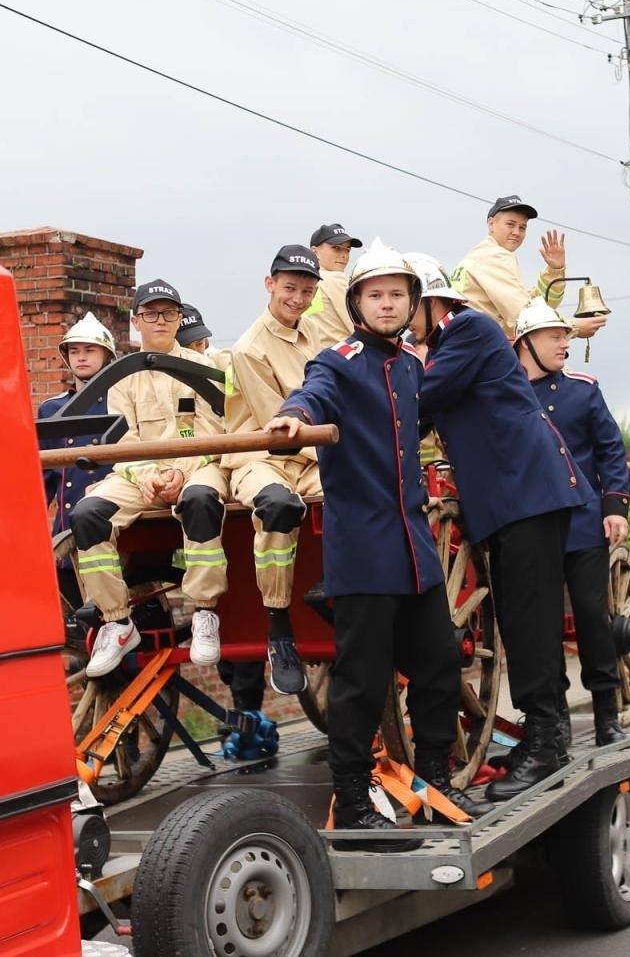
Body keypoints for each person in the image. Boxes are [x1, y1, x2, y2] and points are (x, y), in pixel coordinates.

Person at [265, 240, 485, 848]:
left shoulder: (413, 363)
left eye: (396, 295)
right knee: (361, 680)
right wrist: (294, 415)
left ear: (411, 302)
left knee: (440, 663)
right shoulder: (338, 361)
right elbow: (313, 392)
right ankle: (355, 797)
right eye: (375, 295)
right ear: (357, 304)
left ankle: (435, 779)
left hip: (414, 544)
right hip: (363, 546)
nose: (387, 304)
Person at [403, 251, 584, 802]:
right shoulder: (449, 343)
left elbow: (421, 400)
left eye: (407, 304)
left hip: (525, 491)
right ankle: (548, 737)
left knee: (529, 620)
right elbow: (420, 416)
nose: (402, 318)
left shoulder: (468, 329)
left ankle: (545, 745)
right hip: (513, 497)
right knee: (525, 616)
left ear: (432, 302)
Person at [174, 246, 324, 694]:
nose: (297, 299)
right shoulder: (249, 349)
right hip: (263, 455)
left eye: (307, 291)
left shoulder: (317, 333)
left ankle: (343, 585)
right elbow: (280, 423)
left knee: (367, 490)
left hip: (311, 453)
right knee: (278, 506)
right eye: (290, 288)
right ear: (269, 284)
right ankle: (279, 627)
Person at [68, 280, 223, 677]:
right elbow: (123, 439)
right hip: (139, 473)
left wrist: (180, 471)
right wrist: (149, 476)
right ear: (136, 321)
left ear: (178, 317)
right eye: (151, 313)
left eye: (169, 312)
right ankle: (117, 621)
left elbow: (214, 432)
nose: (160, 321)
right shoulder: (122, 376)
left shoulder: (204, 367)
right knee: (87, 513)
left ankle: (204, 611)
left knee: (201, 499)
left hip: (198, 465)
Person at [513, 299, 630, 748]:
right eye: (555, 336)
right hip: (532, 526)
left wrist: (614, 506)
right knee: (541, 626)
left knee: (590, 613)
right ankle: (555, 719)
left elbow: (610, 449)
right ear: (526, 343)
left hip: (582, 523)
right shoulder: (505, 395)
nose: (565, 343)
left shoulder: (583, 390)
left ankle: (606, 714)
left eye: (566, 335)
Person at [451, 194, 607, 341]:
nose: (516, 232)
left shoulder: (475, 256)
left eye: (522, 227)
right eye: (510, 224)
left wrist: (555, 271)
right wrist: (573, 328)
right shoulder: (495, 256)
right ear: (491, 224)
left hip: (469, 342)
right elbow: (524, 316)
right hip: (482, 348)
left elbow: (536, 305)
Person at [38, 312, 117, 541]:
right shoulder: (51, 409)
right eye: (74, 351)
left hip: (110, 519)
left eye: (89, 350)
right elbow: (43, 480)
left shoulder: (120, 402)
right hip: (65, 524)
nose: (81, 357)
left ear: (106, 355)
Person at [300, 223, 362, 351]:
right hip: (345, 355)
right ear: (315, 252)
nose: (344, 255)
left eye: (347, 250)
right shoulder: (336, 279)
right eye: (336, 248)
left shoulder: (305, 283)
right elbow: (360, 327)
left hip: (313, 356)